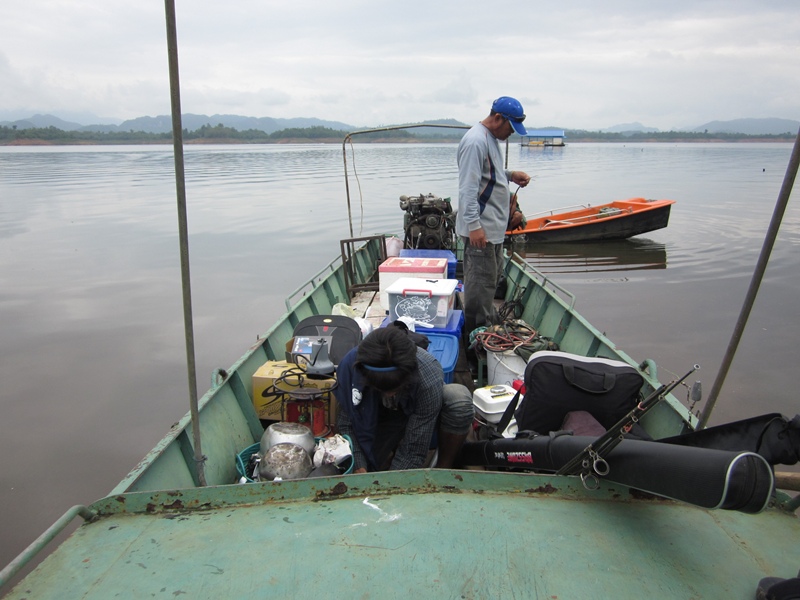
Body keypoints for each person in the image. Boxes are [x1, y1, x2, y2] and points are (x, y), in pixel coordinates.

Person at [333, 326, 474, 473]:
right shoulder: (350, 367)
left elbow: (414, 450)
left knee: (457, 397)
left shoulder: (427, 374)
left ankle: (443, 471)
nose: (389, 394)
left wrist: (394, 484)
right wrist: (359, 467)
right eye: (382, 389)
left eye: (394, 388)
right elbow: (346, 423)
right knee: (367, 469)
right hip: (377, 417)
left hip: (420, 414)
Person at [456, 96, 532, 338]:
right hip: (482, 231)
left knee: (489, 282)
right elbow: (467, 189)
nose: (511, 133)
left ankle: (487, 325)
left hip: (492, 231)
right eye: (511, 127)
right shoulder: (476, 141)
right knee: (479, 289)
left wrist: (509, 175)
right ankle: (477, 340)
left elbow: (487, 174)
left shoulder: (490, 139)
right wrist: (474, 226)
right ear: (498, 118)